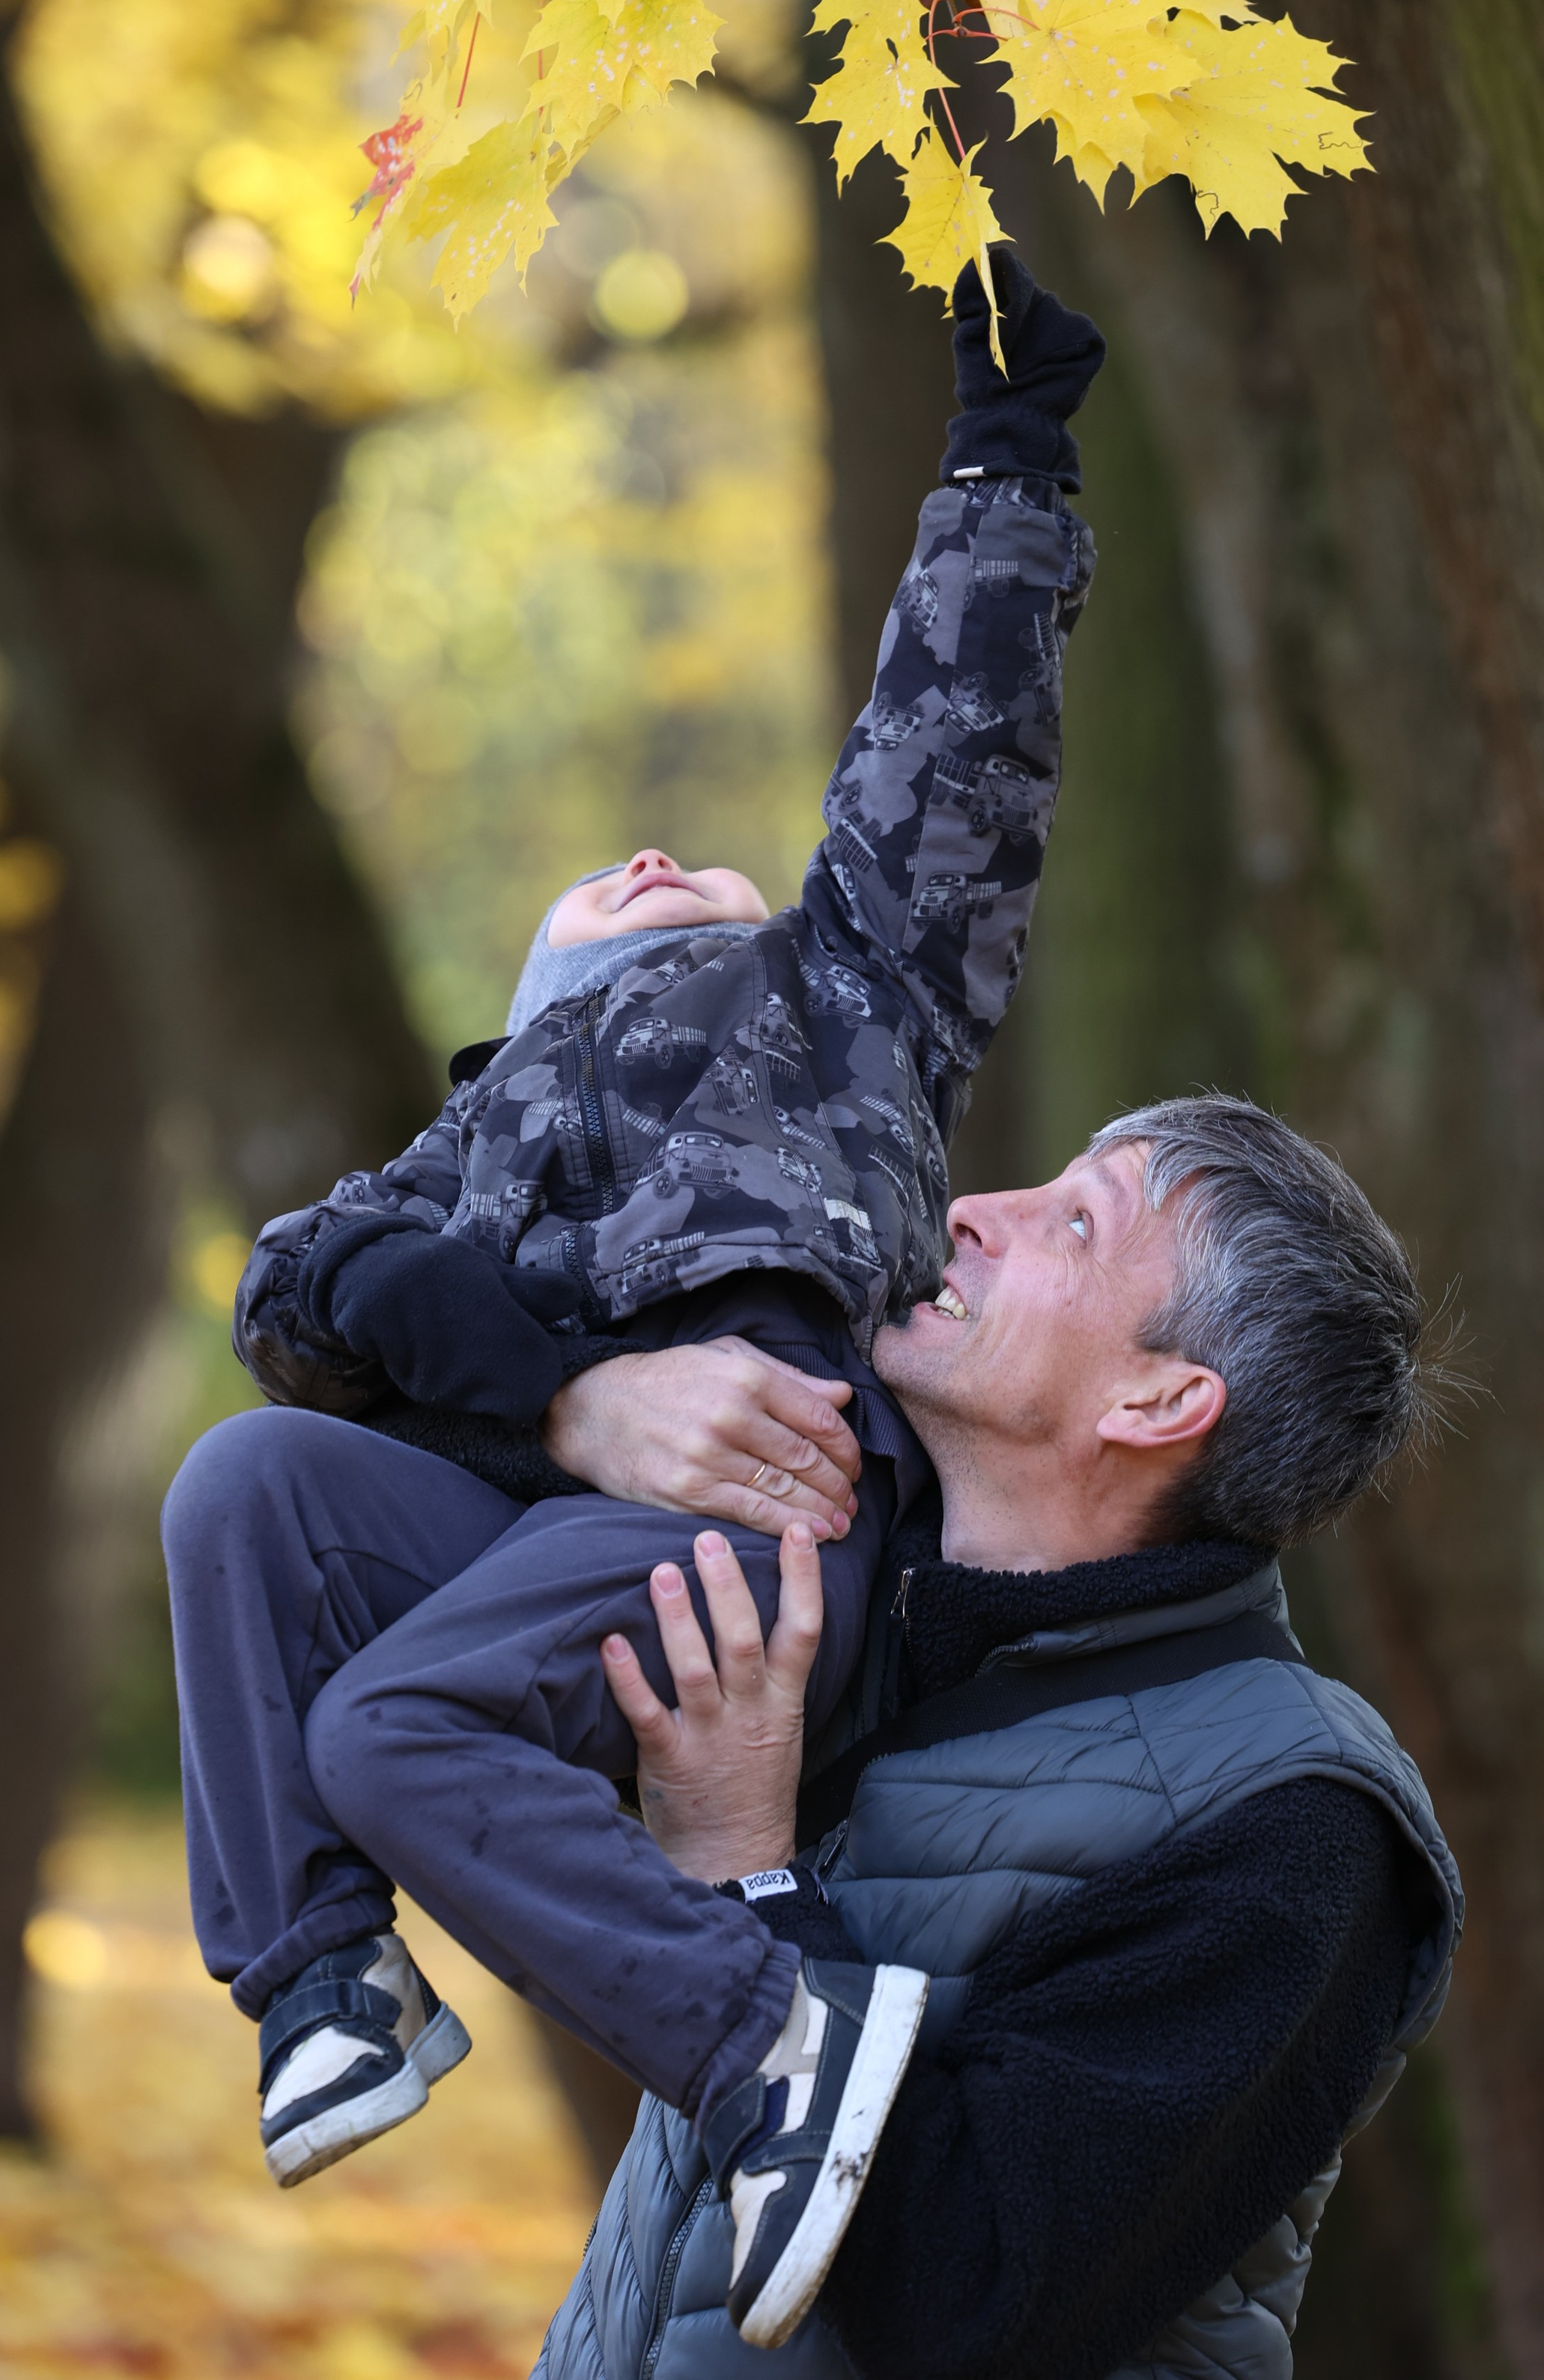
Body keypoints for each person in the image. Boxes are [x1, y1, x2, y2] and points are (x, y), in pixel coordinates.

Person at [162, 252, 1101, 2340]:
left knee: (391, 1726)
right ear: (527, 992)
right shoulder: (473, 1140)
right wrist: (563, 1401)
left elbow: (951, 753)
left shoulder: (840, 997)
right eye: (605, 885)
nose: (658, 854)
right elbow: (299, 1288)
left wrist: (1007, 456)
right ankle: (322, 1981)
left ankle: (774, 2048)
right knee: (240, 1487)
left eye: (695, 865)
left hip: (772, 1511)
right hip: (561, 1536)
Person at [537, 1097, 1462, 2380]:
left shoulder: (1297, 1825)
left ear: (1160, 1398)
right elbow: (365, 1559)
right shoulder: (847, 1597)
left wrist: (743, 1870)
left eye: (1077, 1222)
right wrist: (579, 1410)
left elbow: (974, 2303)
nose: (971, 1210)